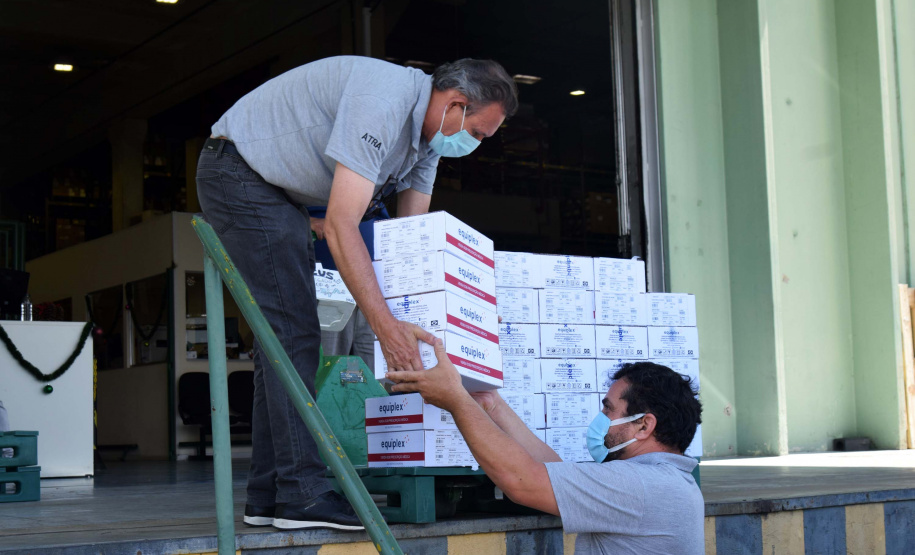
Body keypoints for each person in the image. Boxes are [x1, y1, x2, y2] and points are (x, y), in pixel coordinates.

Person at [196, 55, 518, 530]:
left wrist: (435, 328)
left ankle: (268, 494)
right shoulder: (383, 101)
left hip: (280, 193)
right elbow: (340, 225)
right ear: (456, 105)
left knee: (283, 341)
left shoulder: (428, 143)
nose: (475, 145)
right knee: (294, 333)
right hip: (239, 174)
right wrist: (387, 330)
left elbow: (412, 241)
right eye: (479, 134)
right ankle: (302, 494)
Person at [387, 354, 704, 554]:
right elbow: (552, 472)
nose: (600, 420)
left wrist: (456, 400)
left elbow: (522, 480)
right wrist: (492, 405)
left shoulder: (641, 485)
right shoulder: (666, 481)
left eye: (608, 410)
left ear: (643, 425)